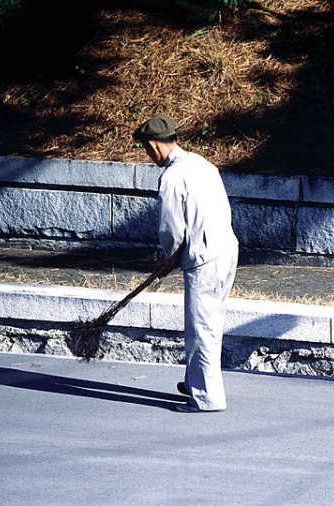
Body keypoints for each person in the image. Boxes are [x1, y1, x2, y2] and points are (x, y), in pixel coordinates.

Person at [133, 116, 239, 413]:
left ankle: (206, 398)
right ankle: (195, 381)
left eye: (145, 149)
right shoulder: (202, 164)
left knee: (200, 328)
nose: (147, 155)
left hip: (205, 256)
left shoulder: (171, 177)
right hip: (226, 248)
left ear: (154, 146)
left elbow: (171, 227)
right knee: (211, 322)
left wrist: (168, 256)